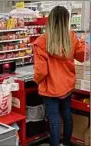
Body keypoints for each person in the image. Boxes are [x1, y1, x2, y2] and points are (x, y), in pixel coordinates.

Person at [33, 6, 86, 146]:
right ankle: (66, 143)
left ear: (50, 20)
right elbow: (82, 57)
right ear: (66, 21)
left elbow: (41, 71)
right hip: (67, 85)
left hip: (50, 87)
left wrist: (37, 80)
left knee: (54, 118)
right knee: (66, 115)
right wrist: (84, 43)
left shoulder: (41, 42)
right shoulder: (72, 38)